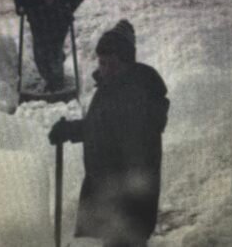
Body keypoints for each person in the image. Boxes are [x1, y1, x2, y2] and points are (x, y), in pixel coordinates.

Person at [49, 19, 170, 247]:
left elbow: (122, 141)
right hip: (111, 195)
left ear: (127, 63)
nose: (104, 71)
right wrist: (70, 130)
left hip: (126, 203)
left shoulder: (135, 97)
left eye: (111, 65)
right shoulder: (114, 87)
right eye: (102, 63)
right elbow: (102, 127)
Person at [14, 0, 85, 92]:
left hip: (59, 25)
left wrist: (71, 6)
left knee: (54, 52)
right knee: (40, 55)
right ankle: (50, 76)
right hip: (39, 26)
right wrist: (20, 7)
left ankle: (56, 82)